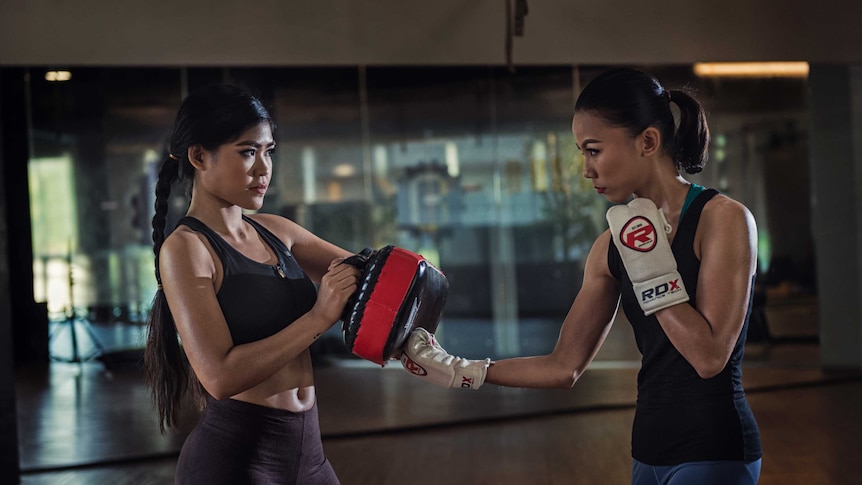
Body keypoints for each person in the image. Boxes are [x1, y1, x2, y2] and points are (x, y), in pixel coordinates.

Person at [400, 67, 763, 484]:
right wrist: (461, 368)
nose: (586, 170)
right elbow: (563, 366)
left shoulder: (724, 219)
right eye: (582, 153)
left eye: (593, 150)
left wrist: (649, 265)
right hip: (647, 451)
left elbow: (710, 357)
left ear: (647, 141)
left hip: (714, 448)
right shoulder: (608, 245)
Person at [143, 84, 359, 484]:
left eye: (268, 151)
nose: (263, 168)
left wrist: (417, 330)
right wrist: (321, 316)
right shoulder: (187, 250)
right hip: (238, 463)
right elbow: (219, 377)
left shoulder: (276, 230)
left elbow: (370, 276)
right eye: (247, 151)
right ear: (198, 156)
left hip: (309, 456)